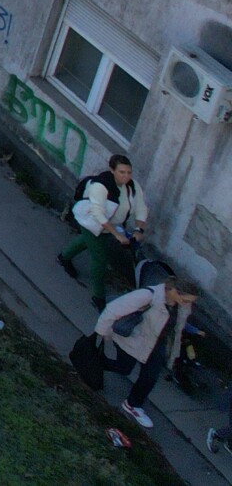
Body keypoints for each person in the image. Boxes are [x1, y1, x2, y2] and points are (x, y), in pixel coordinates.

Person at [93, 276, 199, 429]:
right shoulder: (148, 296)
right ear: (174, 291)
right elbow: (113, 309)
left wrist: (173, 354)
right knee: (124, 368)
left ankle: (133, 404)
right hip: (134, 339)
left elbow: (177, 330)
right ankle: (93, 362)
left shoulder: (182, 306)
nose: (188, 304)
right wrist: (103, 332)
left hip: (157, 344)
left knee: (150, 376)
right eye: (187, 300)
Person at [58, 152, 147, 310]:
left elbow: (141, 207)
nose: (126, 176)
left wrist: (139, 229)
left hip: (108, 227)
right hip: (91, 222)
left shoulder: (133, 187)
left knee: (86, 242)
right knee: (100, 259)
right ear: (112, 170)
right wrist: (117, 235)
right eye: (122, 172)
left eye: (128, 172)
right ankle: (98, 297)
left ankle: (64, 257)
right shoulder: (100, 186)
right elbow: (98, 214)